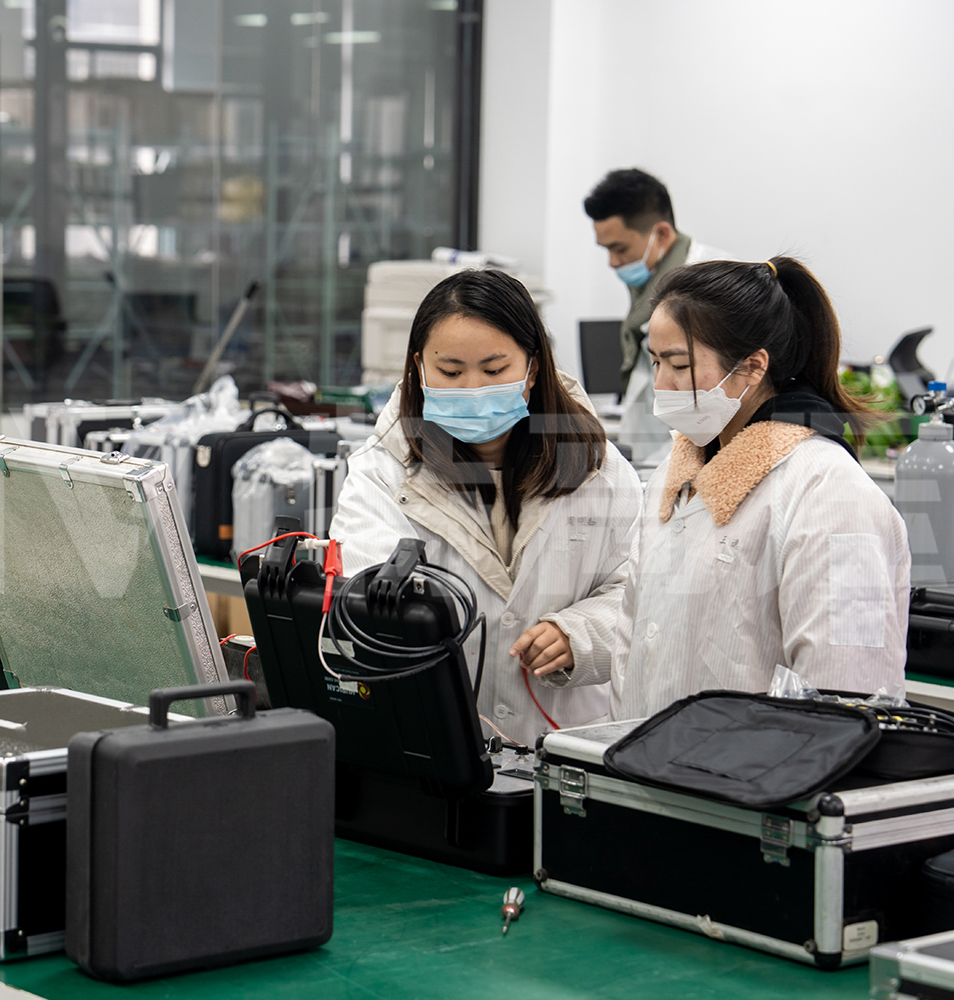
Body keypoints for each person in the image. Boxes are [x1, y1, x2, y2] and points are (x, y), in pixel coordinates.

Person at [532, 257, 910, 718]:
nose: (661, 384)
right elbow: (635, 646)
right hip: (652, 753)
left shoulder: (830, 493)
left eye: (679, 365)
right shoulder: (674, 477)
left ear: (752, 366)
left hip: (757, 763)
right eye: (655, 362)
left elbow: (846, 691)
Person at [327, 269, 643, 745]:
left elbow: (639, 592)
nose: (472, 389)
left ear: (533, 369)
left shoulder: (598, 467)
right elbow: (367, 602)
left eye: (494, 371)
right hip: (434, 741)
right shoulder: (384, 470)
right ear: (419, 368)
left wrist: (580, 635)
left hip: (564, 745)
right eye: (451, 372)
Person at [583, 168, 723, 462]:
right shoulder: (650, 283)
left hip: (693, 454)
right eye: (606, 250)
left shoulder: (712, 287)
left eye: (619, 248)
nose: (612, 262)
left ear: (661, 234)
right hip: (655, 454)